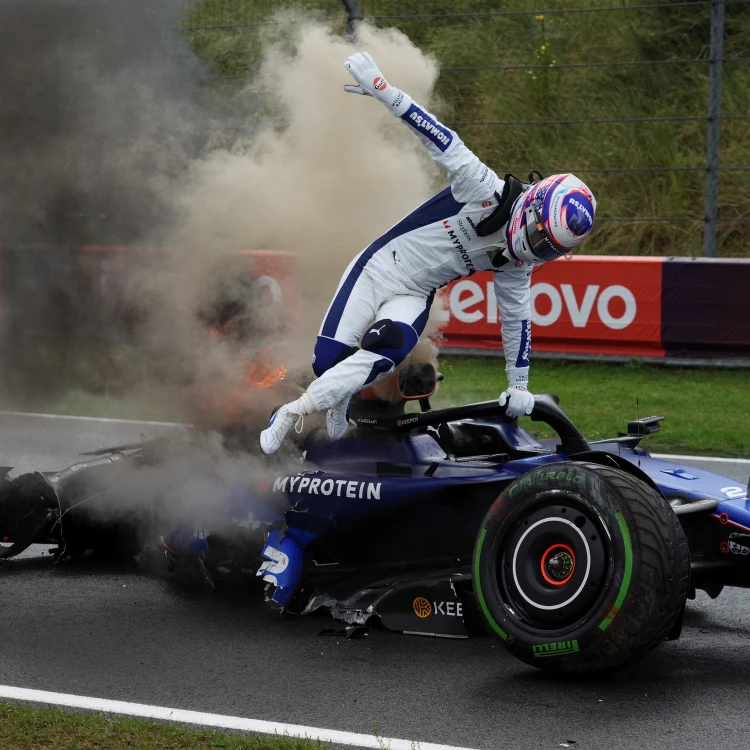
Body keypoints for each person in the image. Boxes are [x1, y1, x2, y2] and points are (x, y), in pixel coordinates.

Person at [260, 52, 596, 455]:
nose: (535, 248)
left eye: (549, 249)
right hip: (378, 267)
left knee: (385, 355)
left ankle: (295, 411)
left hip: (413, 295)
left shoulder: (517, 263)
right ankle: (333, 398)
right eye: (539, 235)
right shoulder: (482, 188)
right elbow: (438, 136)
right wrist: (384, 90)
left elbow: (517, 323)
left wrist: (519, 385)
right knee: (327, 361)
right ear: (533, 204)